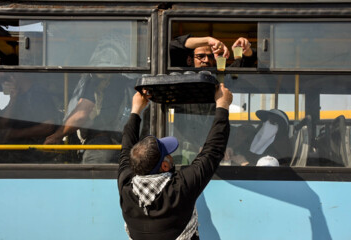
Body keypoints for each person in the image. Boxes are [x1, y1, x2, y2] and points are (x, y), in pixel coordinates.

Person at [118, 83, 232, 239]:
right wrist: (223, 104)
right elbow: (213, 151)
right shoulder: (180, 188)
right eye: (168, 153)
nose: (172, 156)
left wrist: (136, 110)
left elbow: (126, 149)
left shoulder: (126, 188)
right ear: (164, 166)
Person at [44, 32, 136, 164]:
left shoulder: (95, 80)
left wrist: (57, 136)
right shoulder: (124, 80)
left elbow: (81, 114)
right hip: (120, 144)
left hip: (100, 146)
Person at [0, 73, 60, 163]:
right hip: (13, 155)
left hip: (31, 156)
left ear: (14, 76)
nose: (4, 84)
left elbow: (48, 126)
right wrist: (12, 99)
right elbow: (2, 124)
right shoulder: (17, 97)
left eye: (6, 79)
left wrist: (16, 134)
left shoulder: (37, 94)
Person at [170, 34, 257, 68]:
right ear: (189, 60)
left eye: (210, 56)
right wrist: (208, 40)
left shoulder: (219, 78)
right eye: (201, 56)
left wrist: (246, 49)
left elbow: (247, 61)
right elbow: (172, 46)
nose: (207, 60)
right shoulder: (182, 74)